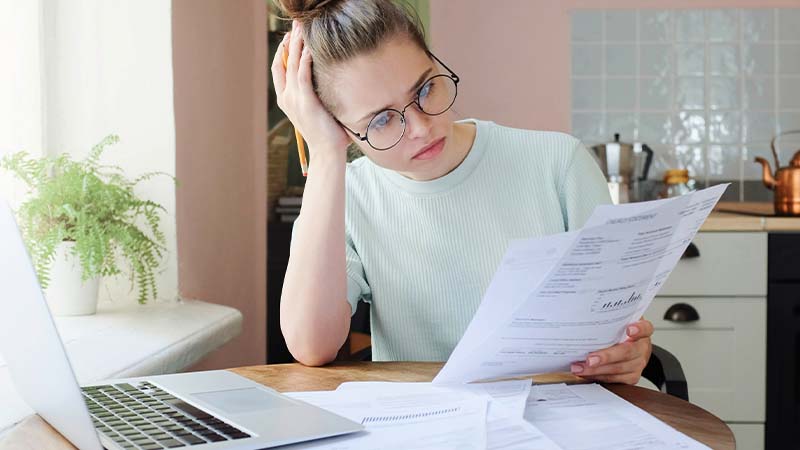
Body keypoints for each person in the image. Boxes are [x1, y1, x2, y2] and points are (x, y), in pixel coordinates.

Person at [272, 0, 653, 385]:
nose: (421, 127)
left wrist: (627, 354)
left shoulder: (559, 163)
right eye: (382, 120)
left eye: (425, 89)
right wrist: (324, 153)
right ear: (343, 130)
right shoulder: (348, 195)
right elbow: (311, 345)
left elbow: (617, 334)